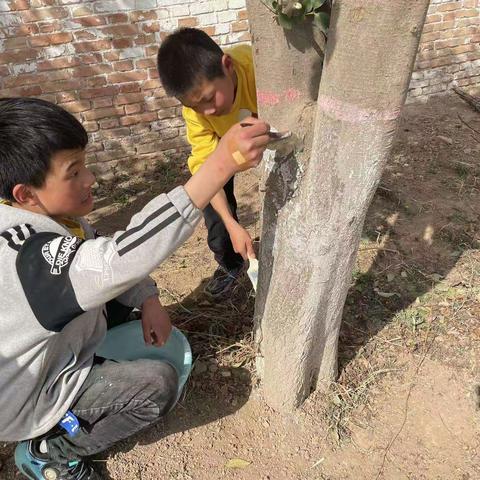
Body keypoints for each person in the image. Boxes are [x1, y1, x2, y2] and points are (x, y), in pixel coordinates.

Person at [0, 97, 269, 480]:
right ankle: (49, 449)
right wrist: (220, 164)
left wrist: (148, 298)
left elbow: (98, 248)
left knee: (119, 294)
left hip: (48, 354)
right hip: (30, 398)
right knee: (156, 386)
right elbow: (114, 259)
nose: (89, 179)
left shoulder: (39, 219)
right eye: (73, 172)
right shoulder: (30, 261)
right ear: (26, 193)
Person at [157, 27, 258, 297]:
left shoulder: (257, 66)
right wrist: (231, 223)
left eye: (209, 99)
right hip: (227, 148)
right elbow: (205, 167)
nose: (207, 112)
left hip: (268, 135)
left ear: (228, 67)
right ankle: (230, 263)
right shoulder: (196, 112)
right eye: (195, 107)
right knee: (213, 210)